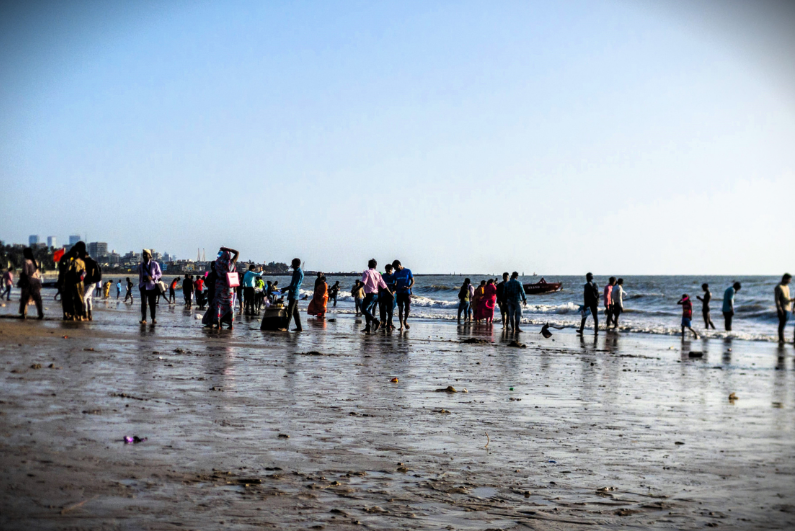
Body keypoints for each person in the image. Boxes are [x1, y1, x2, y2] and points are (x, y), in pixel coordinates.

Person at [202, 247, 240, 329]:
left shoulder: (217, 263)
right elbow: (237, 253)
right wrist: (228, 249)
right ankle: (230, 325)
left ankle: (218, 324)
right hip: (229, 287)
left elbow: (214, 274)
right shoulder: (231, 263)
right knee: (229, 305)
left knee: (218, 305)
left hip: (219, 286)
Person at [57, 243, 87, 321]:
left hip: (71, 282)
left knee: (69, 300)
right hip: (73, 282)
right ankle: (75, 315)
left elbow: (62, 271)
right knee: (74, 300)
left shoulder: (70, 259)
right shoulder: (76, 261)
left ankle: (71, 315)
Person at [361, 259, 389, 333]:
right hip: (376, 295)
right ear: (375, 266)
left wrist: (355, 289)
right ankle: (368, 327)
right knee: (369, 311)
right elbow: (384, 285)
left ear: (368, 265)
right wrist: (390, 293)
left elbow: (363, 282)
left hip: (369, 294)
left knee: (364, 310)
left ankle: (375, 321)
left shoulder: (366, 272)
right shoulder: (378, 273)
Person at [18, 248, 44, 320]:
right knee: (37, 299)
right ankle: (40, 313)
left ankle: (23, 314)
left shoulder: (26, 262)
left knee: (24, 299)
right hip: (36, 282)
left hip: (28, 282)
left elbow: (26, 273)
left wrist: (21, 277)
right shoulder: (35, 262)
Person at [137, 249, 162, 324]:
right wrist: (140, 285)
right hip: (143, 286)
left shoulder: (154, 264)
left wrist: (152, 277)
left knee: (152, 303)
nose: (144, 256)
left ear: (149, 255)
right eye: (143, 254)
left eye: (146, 254)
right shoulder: (141, 265)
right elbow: (140, 276)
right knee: (143, 303)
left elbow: (160, 274)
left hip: (152, 286)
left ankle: (153, 318)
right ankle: (144, 319)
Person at [281, 258, 304, 331]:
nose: (291, 265)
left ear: (295, 264)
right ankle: (299, 327)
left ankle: (285, 327)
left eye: (292, 263)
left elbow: (294, 285)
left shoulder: (298, 273)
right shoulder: (296, 272)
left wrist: (285, 289)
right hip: (293, 293)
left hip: (294, 293)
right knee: (295, 312)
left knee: (290, 311)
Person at [392, 260, 414, 330]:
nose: (395, 269)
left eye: (395, 267)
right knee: (400, 309)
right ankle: (401, 325)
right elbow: (394, 282)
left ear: (399, 265)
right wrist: (394, 287)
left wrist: (409, 287)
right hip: (399, 293)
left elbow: (413, 281)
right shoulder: (395, 273)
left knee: (407, 309)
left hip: (406, 293)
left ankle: (405, 321)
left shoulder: (407, 271)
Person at [81, 248, 102, 321]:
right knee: (88, 299)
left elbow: (84, 273)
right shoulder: (94, 262)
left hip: (90, 283)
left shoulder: (87, 262)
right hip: (93, 283)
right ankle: (90, 316)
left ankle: (85, 315)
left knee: (83, 298)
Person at [775, 274, 792, 343]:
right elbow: (777, 299)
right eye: (789, 279)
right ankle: (781, 339)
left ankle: (782, 339)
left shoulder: (787, 287)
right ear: (785, 279)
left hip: (788, 308)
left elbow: (787, 298)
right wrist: (779, 308)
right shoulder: (778, 287)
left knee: (784, 323)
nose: (790, 281)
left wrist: (792, 300)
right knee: (782, 324)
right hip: (782, 308)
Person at [379, 265, 397, 330]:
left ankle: (389, 323)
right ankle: (383, 323)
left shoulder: (394, 276)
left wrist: (394, 292)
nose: (388, 272)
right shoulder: (383, 276)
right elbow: (379, 285)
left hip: (392, 296)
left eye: (389, 271)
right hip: (384, 295)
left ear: (392, 270)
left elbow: (396, 286)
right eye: (386, 270)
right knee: (383, 310)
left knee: (390, 311)